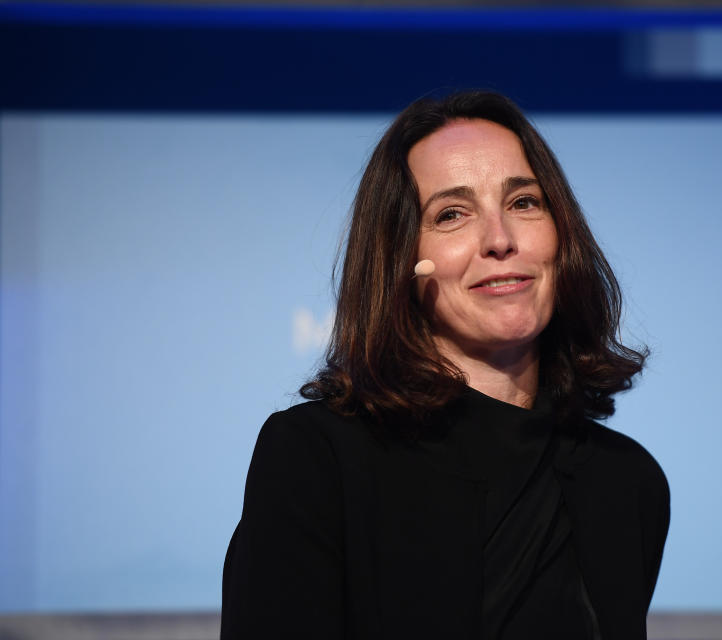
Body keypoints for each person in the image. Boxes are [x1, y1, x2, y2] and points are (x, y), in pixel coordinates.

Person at [220, 90, 669, 640]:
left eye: (524, 202)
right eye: (452, 214)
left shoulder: (627, 482)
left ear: (560, 233)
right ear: (401, 258)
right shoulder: (318, 459)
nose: (500, 240)